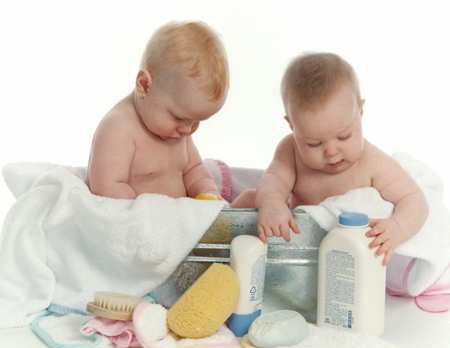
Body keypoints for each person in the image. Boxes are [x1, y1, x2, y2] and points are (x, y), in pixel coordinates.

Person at [242, 52, 429, 266]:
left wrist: (397, 227)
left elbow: (415, 198)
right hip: (300, 245)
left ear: (360, 111)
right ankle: (217, 230)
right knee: (252, 199)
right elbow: (274, 179)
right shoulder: (290, 150)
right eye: (314, 143)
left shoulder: (373, 162)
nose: (331, 151)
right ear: (293, 126)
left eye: (344, 136)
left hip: (350, 258)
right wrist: (272, 202)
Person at [84, 21, 228, 200]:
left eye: (195, 121)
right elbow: (106, 189)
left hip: (179, 224)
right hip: (140, 224)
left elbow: (194, 170)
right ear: (144, 85)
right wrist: (147, 220)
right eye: (179, 117)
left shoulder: (178, 129)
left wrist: (208, 194)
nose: (187, 130)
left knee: (248, 200)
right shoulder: (118, 128)